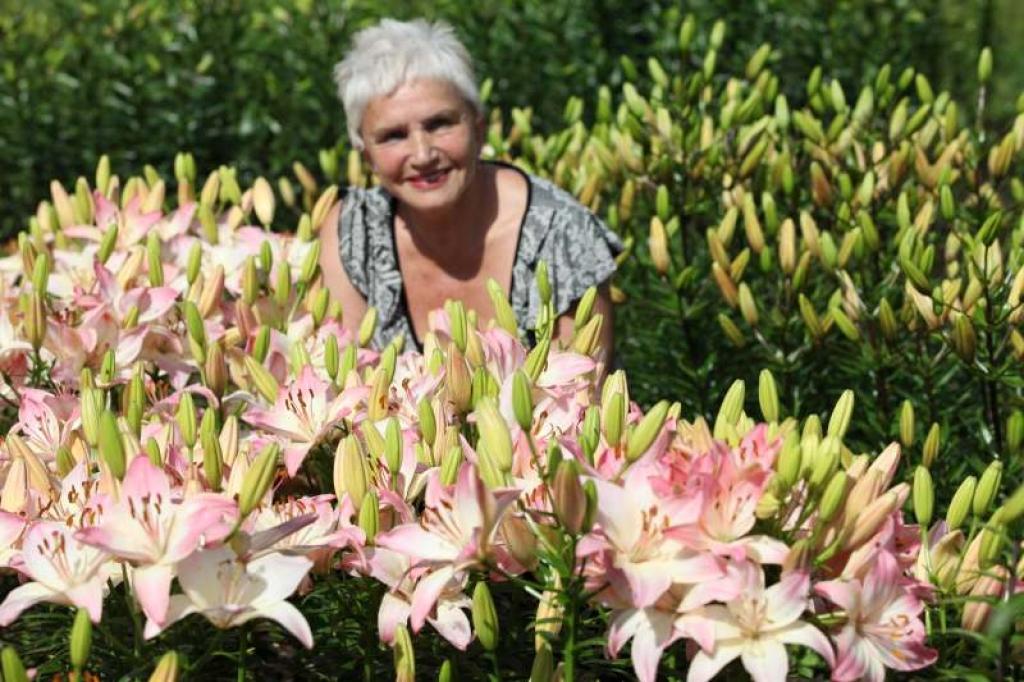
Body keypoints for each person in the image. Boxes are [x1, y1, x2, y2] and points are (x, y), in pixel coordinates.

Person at [319, 18, 622, 360]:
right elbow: (346, 384)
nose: (422, 155)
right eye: (394, 135)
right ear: (366, 155)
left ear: (479, 128)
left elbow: (582, 398)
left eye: (440, 124)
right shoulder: (352, 232)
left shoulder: (562, 234)